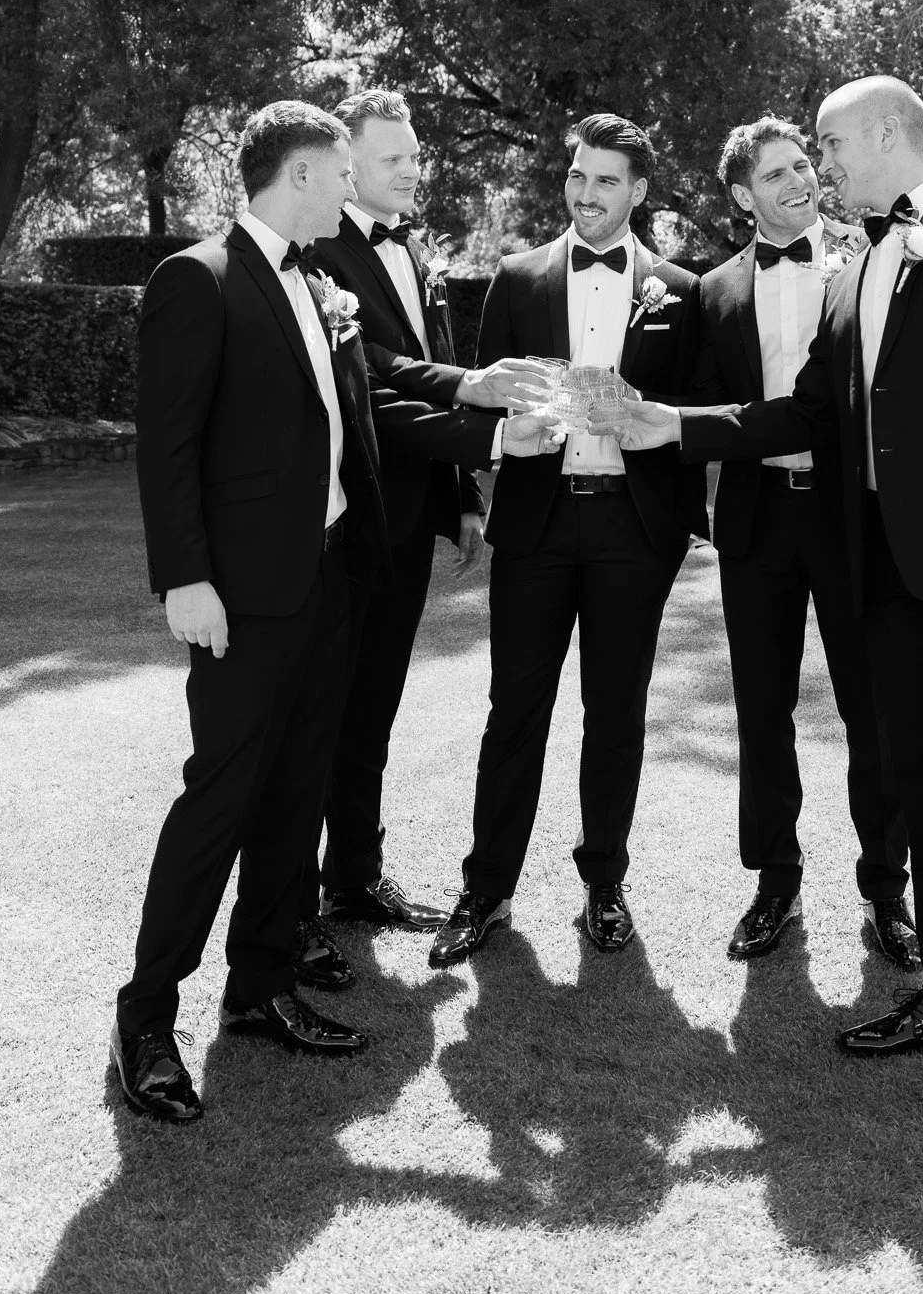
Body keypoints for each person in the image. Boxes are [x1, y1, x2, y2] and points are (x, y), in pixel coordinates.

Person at [593, 77, 923, 1133]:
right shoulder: (856, 269)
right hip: (885, 582)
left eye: (830, 142)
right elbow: (807, 409)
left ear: (886, 135)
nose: (821, 164)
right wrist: (670, 427)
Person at [113, 99, 557, 1124]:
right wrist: (186, 578)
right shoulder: (200, 278)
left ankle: (262, 982)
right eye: (344, 168)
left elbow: (380, 398)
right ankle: (145, 1015)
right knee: (221, 796)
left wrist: (485, 424)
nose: (356, 184)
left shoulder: (319, 282)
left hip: (331, 583)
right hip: (243, 595)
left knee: (295, 789)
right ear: (304, 172)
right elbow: (167, 444)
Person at [428, 112, 709, 967]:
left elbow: (697, 412)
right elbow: (477, 399)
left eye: (605, 182)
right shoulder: (515, 279)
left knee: (614, 715)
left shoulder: (681, 291)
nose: (586, 195)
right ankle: (486, 891)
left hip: (633, 528)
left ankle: (604, 885)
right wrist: (481, 483)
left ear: (638, 191)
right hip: (537, 527)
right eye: (577, 177)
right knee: (513, 712)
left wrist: (645, 419)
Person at [303, 86, 552, 948]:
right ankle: (301, 899)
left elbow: (434, 360)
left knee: (372, 705)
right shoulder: (315, 252)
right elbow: (370, 380)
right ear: (345, 168)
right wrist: (485, 431)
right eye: (394, 158)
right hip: (351, 516)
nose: (414, 170)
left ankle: (355, 878)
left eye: (415, 155)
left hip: (414, 516)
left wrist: (467, 499)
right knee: (326, 710)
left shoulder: (413, 251)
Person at [692, 117, 914, 966]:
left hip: (852, 517)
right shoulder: (710, 291)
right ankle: (773, 881)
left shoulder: (869, 263)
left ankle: (885, 890)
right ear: (743, 195)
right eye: (776, 174)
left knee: (874, 711)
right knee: (761, 712)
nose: (800, 181)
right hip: (755, 523)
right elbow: (707, 412)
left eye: (802, 167)